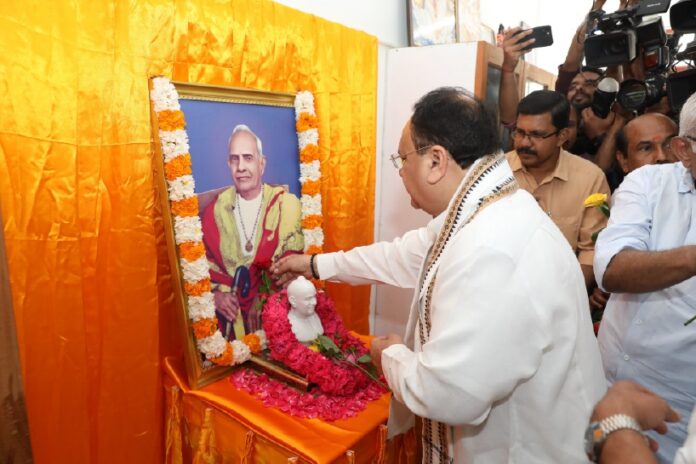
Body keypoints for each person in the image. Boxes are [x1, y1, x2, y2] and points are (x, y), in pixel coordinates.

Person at [273, 87, 606, 463]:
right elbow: (402, 255)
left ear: (435, 161)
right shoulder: (486, 210)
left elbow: (447, 393)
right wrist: (317, 265)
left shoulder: (491, 247)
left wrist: (389, 353)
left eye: (402, 158)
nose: (400, 170)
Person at [593, 91, 696, 463]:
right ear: (683, 150)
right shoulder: (649, 183)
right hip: (604, 381)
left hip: (679, 408)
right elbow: (613, 268)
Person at [202, 124, 304, 340]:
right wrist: (216, 296)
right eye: (234, 159)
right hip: (229, 327)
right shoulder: (215, 211)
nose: (241, 167)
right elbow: (202, 269)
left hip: (279, 320)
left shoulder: (285, 205)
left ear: (261, 163)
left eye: (248, 158)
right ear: (228, 164)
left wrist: (266, 298)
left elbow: (291, 263)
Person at [506, 90, 610, 292]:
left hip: (562, 294)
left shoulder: (590, 179)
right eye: (519, 133)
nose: (524, 143)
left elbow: (591, 251)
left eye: (537, 135)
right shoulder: (495, 172)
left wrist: (563, 298)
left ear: (562, 136)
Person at [286, 276, 322, 343]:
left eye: (314, 297)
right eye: (308, 299)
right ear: (293, 301)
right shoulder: (290, 325)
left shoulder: (314, 316)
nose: (315, 302)